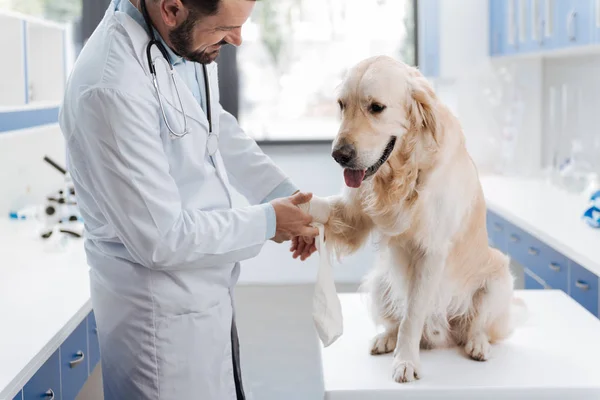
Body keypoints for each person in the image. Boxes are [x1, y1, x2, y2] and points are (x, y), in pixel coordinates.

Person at [58, 0, 319, 399]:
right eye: (225, 28)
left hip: (206, 293)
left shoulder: (179, 43)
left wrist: (286, 198)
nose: (238, 39)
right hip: (159, 323)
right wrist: (270, 221)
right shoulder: (109, 86)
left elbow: (214, 128)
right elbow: (161, 238)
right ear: (171, 9)